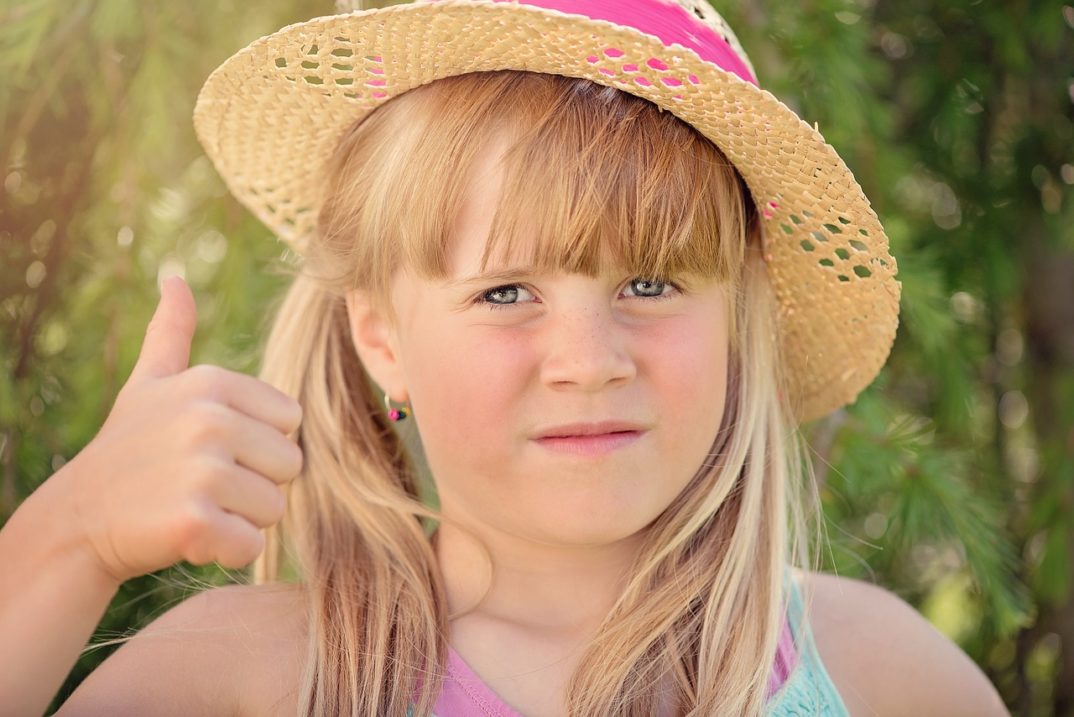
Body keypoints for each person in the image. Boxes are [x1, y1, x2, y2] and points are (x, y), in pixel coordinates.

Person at [0, 1, 1011, 715]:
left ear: (740, 324)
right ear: (381, 339)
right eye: (506, 293)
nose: (588, 361)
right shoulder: (255, 677)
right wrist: (73, 539)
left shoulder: (879, 675)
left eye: (650, 285)